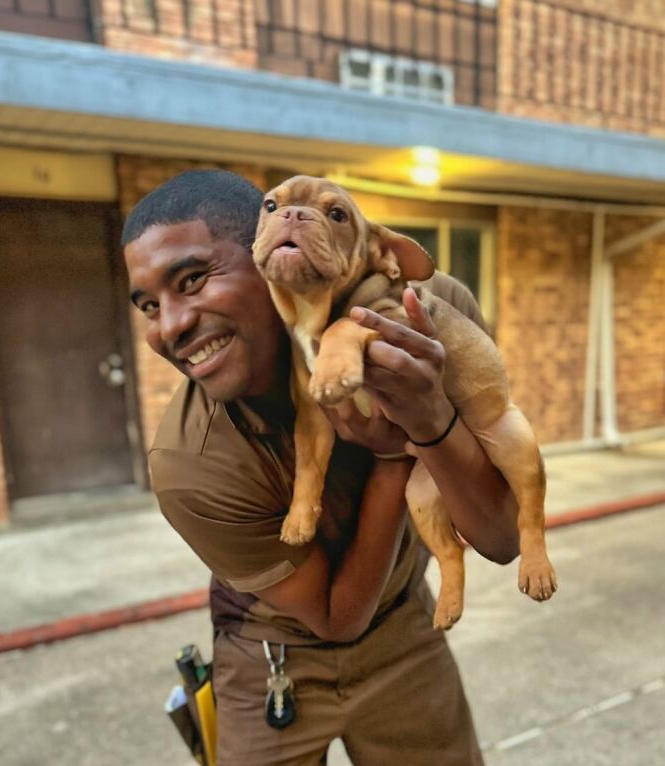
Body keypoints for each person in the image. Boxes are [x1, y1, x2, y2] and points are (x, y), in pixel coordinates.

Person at [122, 169, 519, 766]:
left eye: (194, 279)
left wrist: (431, 418)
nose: (171, 326)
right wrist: (392, 457)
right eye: (150, 305)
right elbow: (336, 618)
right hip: (269, 659)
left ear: (272, 252)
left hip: (404, 629)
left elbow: (503, 536)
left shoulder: (425, 322)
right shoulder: (191, 461)